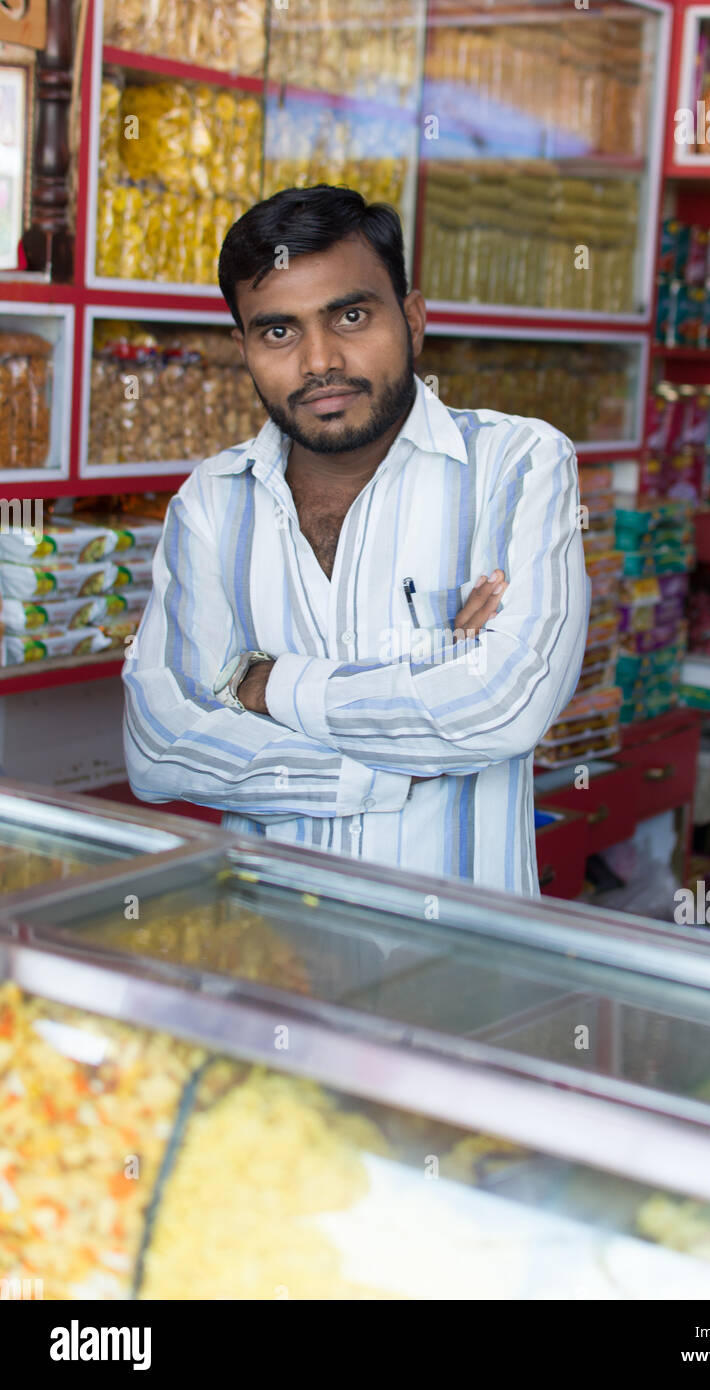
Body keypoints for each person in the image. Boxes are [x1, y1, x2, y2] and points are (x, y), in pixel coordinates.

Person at [122, 184, 589, 896]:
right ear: (242, 347)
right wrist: (394, 757)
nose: (319, 361)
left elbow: (506, 707)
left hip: (454, 971)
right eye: (278, 331)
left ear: (413, 318)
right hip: (269, 960)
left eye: (350, 315)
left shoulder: (516, 465)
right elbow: (160, 747)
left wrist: (269, 683)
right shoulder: (212, 505)